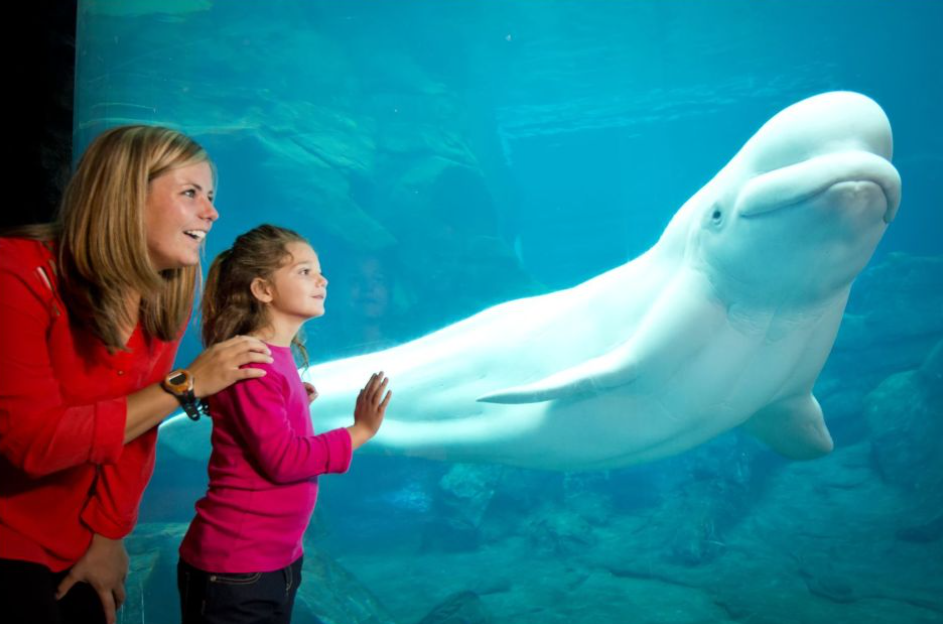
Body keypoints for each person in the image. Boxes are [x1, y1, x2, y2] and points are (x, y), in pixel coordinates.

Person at [0, 125, 274, 624]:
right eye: (190, 193)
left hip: (78, 538)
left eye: (211, 197)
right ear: (125, 195)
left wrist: (109, 535)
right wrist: (186, 385)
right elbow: (31, 443)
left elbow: (137, 428)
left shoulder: (163, 291)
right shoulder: (16, 272)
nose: (211, 213)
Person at [177, 224, 391, 624]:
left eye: (320, 271)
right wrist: (359, 432)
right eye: (305, 271)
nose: (322, 280)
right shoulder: (254, 361)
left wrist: (291, 406)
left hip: (272, 561)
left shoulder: (276, 355)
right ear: (263, 289)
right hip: (236, 566)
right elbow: (283, 460)